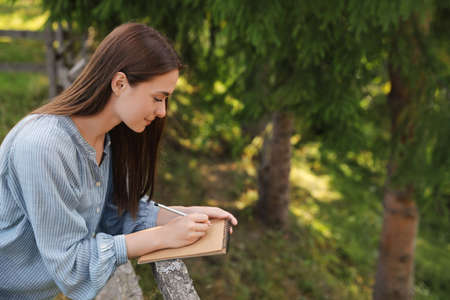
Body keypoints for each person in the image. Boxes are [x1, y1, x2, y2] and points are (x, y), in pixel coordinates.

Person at [0, 23, 238, 300]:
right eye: (158, 98)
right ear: (120, 83)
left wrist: (184, 215)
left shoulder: (105, 139)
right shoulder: (44, 146)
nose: (162, 112)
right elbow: (71, 266)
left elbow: (110, 213)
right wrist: (161, 237)